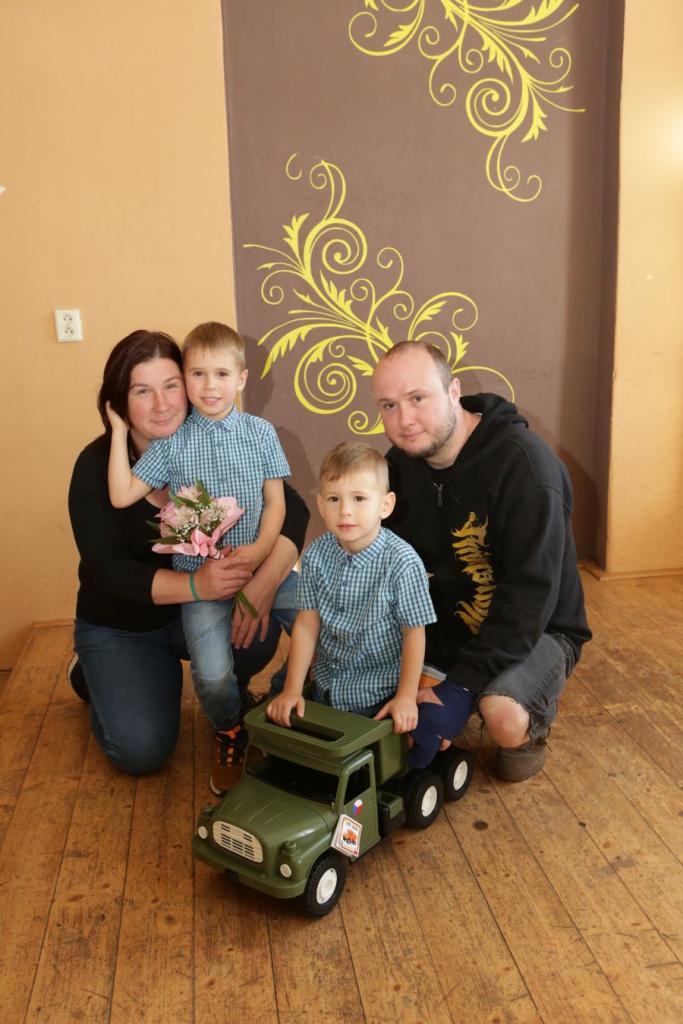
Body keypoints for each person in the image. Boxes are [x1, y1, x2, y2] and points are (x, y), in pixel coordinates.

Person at [68, 329, 308, 788]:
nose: (161, 404)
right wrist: (199, 585)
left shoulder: (232, 436)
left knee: (265, 627)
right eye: (142, 391)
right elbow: (106, 573)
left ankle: (255, 705)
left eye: (171, 385)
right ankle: (96, 675)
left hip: (203, 603)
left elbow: (288, 506)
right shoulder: (105, 464)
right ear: (119, 400)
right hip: (128, 626)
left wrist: (263, 574)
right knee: (141, 749)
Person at [370, 341, 592, 781]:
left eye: (418, 398)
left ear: (453, 391)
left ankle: (530, 725)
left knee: (502, 715)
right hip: (449, 623)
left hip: (538, 627)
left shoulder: (527, 467)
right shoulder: (400, 464)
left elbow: (530, 598)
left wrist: (460, 687)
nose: (404, 419)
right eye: (389, 405)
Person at [267, 443, 469, 768]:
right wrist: (293, 689)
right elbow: (306, 623)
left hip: (375, 692)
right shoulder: (316, 555)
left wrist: (405, 697)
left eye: (359, 498)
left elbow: (414, 634)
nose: (345, 511)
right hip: (326, 682)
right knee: (283, 738)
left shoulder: (402, 562)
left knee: (374, 763)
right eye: (334, 499)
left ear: (385, 505)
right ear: (321, 505)